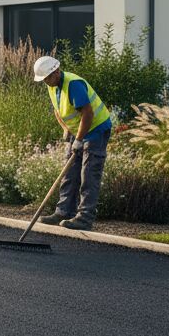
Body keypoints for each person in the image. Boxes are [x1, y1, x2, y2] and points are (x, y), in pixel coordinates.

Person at [34, 55, 115, 230]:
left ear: (56, 72)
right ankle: (64, 212)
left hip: (96, 129)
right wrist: (67, 130)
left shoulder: (73, 84)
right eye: (44, 79)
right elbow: (58, 111)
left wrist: (79, 140)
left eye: (47, 78)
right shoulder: (52, 85)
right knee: (69, 172)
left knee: (89, 174)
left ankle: (85, 218)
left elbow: (88, 113)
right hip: (78, 130)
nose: (46, 82)